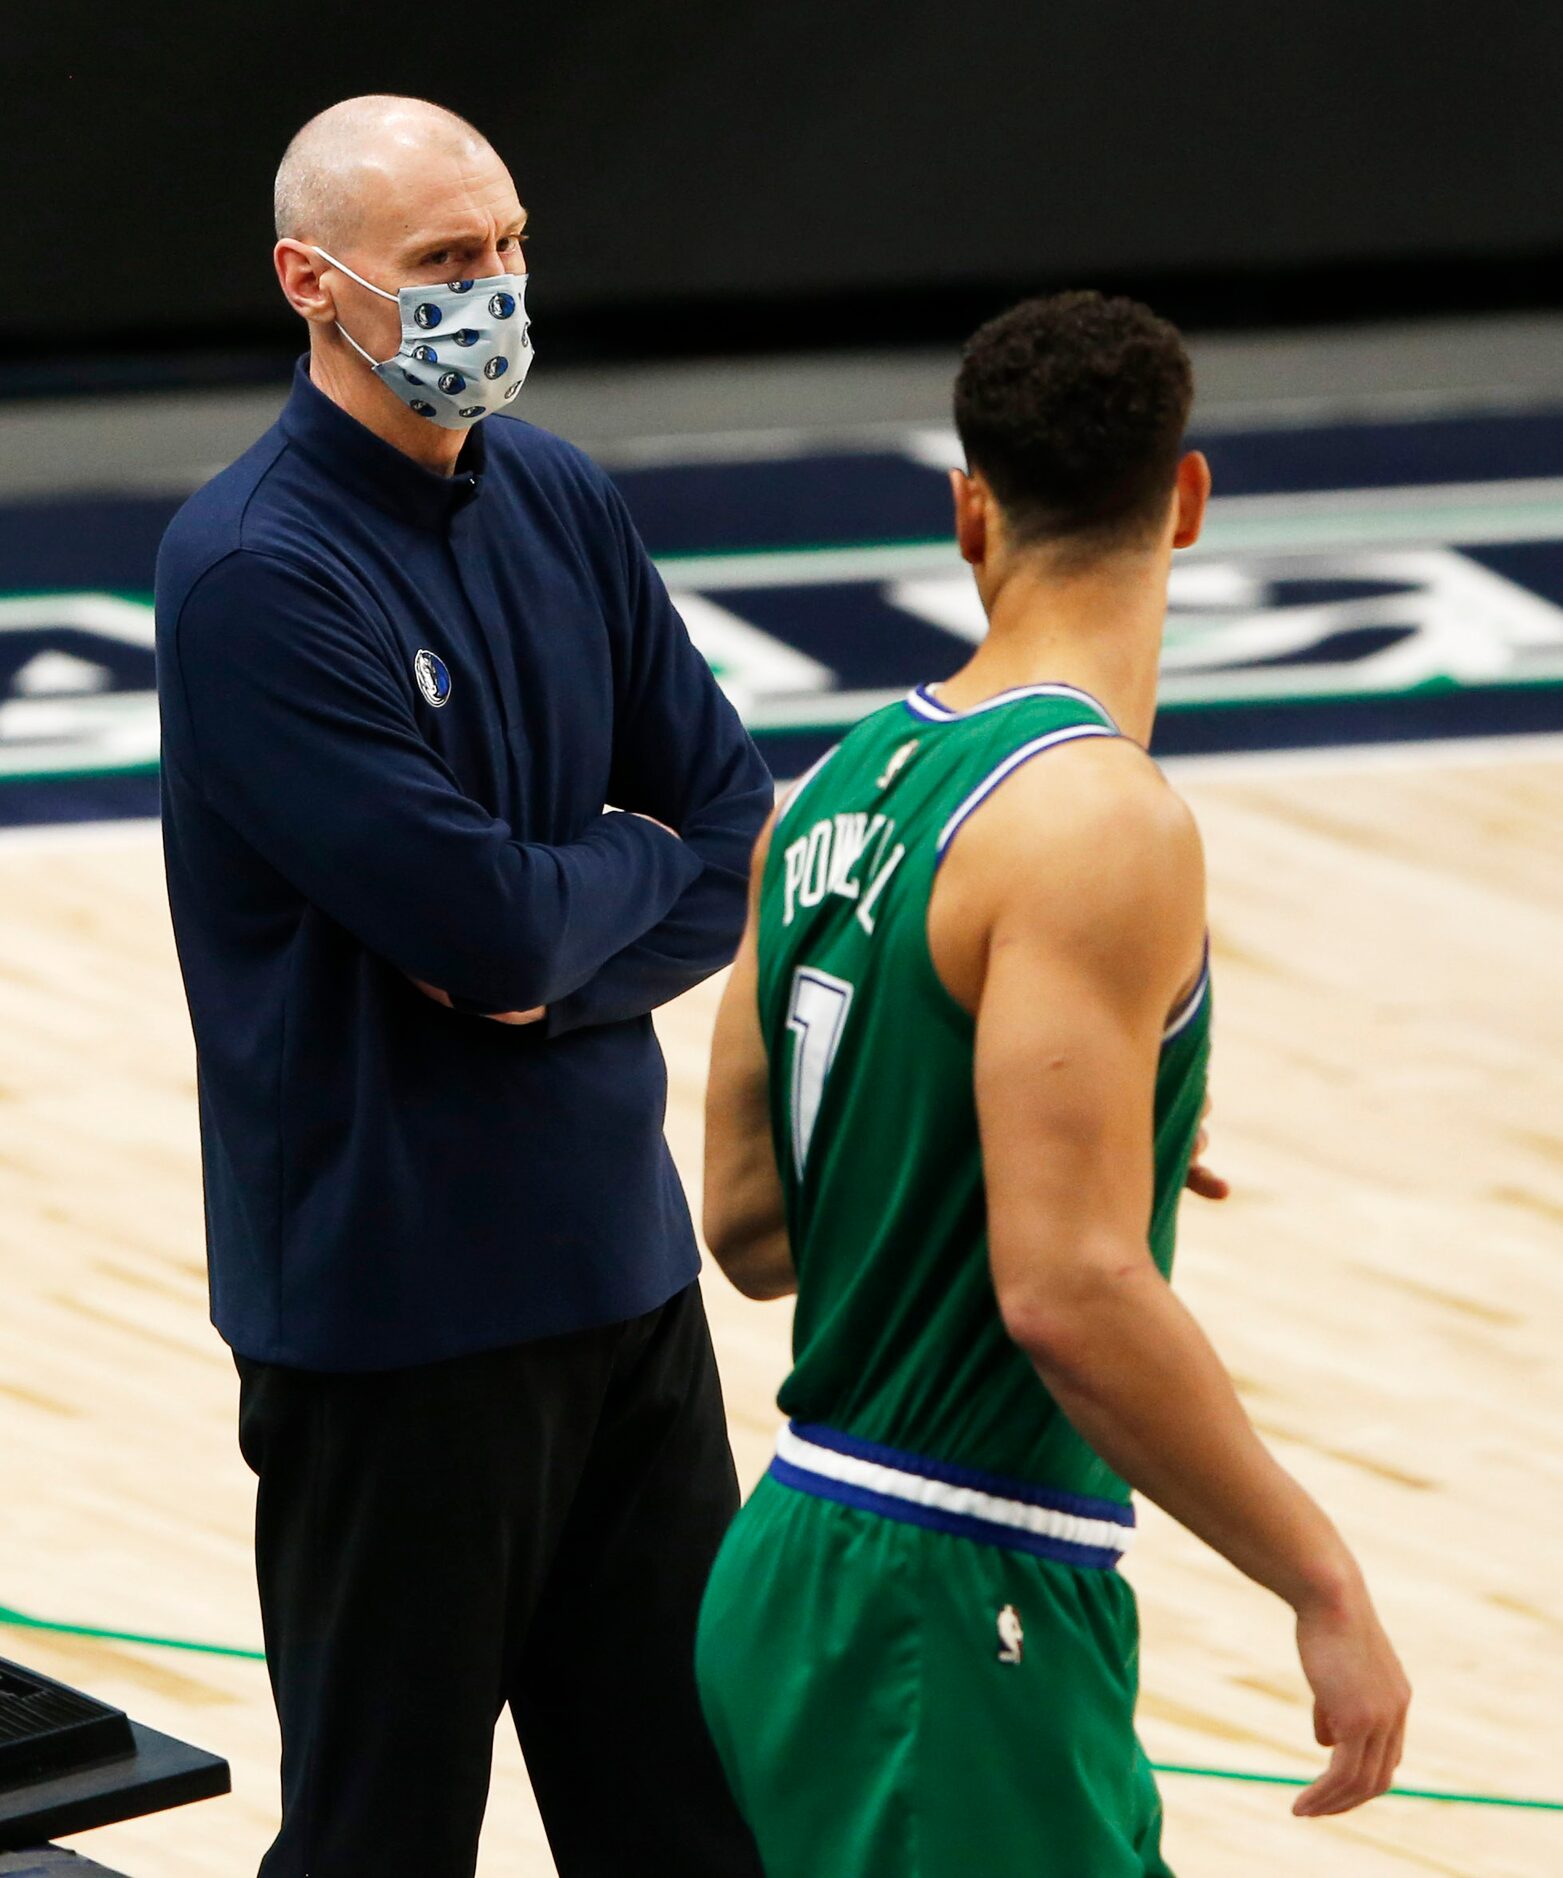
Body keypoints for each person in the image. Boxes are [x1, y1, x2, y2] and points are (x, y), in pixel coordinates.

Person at [697, 292, 1410, 1876]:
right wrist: (1320, 1578)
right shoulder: (1100, 819)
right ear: (1191, 497)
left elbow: (750, 1225)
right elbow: (1070, 1287)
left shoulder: (829, 787)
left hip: (802, 1558)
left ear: (969, 509)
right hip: (954, 1595)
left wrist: (1039, 1129)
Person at [154, 94, 768, 1877]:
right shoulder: (257, 570)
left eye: (504, 248)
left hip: (624, 1281)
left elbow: (723, 831)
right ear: (312, 282)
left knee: (699, 1824)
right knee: (382, 1841)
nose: (491, 289)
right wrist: (575, 910)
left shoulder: (560, 496)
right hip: (395, 1320)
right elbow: (489, 925)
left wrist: (555, 942)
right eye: (442, 263)